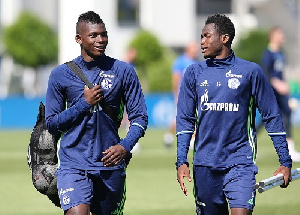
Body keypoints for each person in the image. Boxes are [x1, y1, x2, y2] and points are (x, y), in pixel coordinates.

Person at [176, 14, 292, 215]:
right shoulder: (193, 73)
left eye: (206, 36)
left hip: (240, 162)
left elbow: (272, 116)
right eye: (201, 36)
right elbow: (185, 120)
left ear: (224, 38)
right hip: (204, 165)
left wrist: (285, 162)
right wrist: (181, 160)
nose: (201, 42)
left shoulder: (251, 72)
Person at [45, 11, 148, 215]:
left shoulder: (123, 71)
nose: (100, 40)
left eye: (104, 34)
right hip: (73, 164)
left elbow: (140, 117)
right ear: (79, 39)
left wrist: (125, 146)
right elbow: (52, 123)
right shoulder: (60, 75)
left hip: (111, 164)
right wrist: (84, 103)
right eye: (93, 35)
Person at [261, 26, 300, 162]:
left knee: (287, 114)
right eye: (280, 34)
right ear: (272, 36)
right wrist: (277, 84)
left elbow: (281, 73)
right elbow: (266, 73)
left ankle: (290, 149)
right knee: (262, 120)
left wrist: (287, 84)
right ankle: (243, 145)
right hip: (271, 92)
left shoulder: (281, 53)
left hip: (282, 92)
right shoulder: (267, 54)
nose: (282, 37)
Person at [163, 41, 199, 148]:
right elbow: (176, 78)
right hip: (183, 94)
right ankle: (169, 134)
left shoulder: (196, 62)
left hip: (194, 94)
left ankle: (193, 139)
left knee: (195, 116)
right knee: (180, 118)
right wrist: (176, 94)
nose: (196, 52)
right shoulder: (180, 61)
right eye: (194, 49)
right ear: (188, 50)